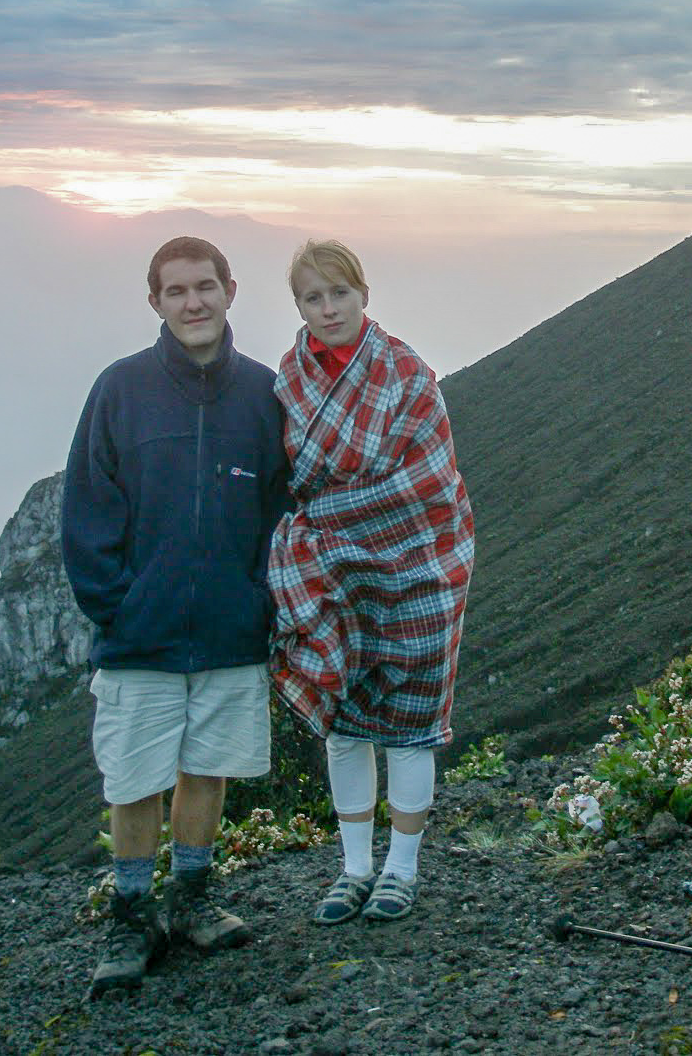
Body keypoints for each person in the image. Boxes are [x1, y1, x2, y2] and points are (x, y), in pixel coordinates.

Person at [62, 236, 290, 996]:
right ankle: (132, 913)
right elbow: (88, 508)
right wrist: (118, 608)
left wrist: (260, 598)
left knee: (208, 768)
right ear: (153, 301)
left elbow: (280, 511)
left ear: (231, 290)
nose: (193, 303)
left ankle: (191, 899)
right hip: (140, 634)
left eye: (205, 287)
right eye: (175, 291)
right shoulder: (120, 389)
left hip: (231, 629)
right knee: (133, 780)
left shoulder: (263, 393)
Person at [267, 239, 475, 925]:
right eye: (312, 298)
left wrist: (337, 516)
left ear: (363, 294)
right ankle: (353, 868)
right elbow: (288, 482)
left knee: (409, 728)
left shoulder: (406, 374)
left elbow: (430, 485)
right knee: (344, 726)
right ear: (297, 305)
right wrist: (324, 528)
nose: (328, 309)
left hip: (414, 569)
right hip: (332, 577)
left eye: (339, 294)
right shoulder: (289, 380)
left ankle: (401, 870)